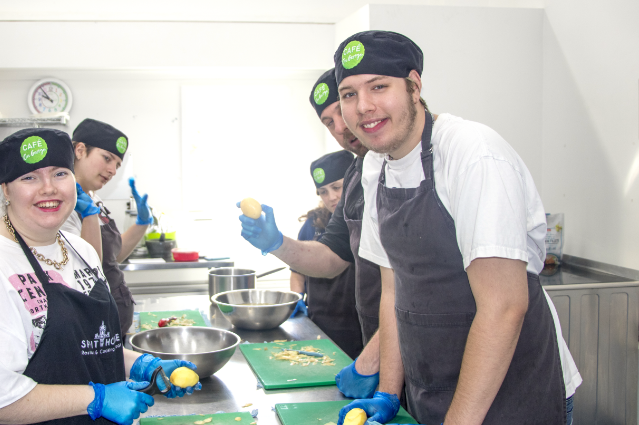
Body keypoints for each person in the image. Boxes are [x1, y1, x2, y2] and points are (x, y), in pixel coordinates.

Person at [332, 31, 581, 425]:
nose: (363, 106)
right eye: (348, 94)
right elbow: (394, 288)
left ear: (414, 86)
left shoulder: (473, 154)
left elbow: (504, 306)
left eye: (379, 87)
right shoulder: (374, 167)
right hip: (437, 388)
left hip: (515, 389)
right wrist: (388, 391)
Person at [0, 128, 199, 425]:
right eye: (29, 177)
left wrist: (140, 364)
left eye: (60, 173)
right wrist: (97, 399)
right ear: (6, 189)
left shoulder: (81, 250)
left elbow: (86, 349)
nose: (48, 188)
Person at [238, 69, 383, 397]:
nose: (341, 127)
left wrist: (372, 360)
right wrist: (277, 243)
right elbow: (333, 257)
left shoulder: (459, 154)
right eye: (329, 122)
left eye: (344, 108)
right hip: (380, 342)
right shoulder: (361, 179)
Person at [62, 118, 153, 336]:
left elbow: (113, 257)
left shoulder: (93, 199)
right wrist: (89, 217)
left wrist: (142, 223)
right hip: (89, 324)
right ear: (80, 150)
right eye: (107, 158)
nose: (112, 170)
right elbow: (88, 268)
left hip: (112, 323)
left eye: (117, 165)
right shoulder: (62, 204)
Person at [289, 150, 362, 358]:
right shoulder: (313, 224)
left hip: (359, 328)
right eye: (323, 191)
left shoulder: (367, 221)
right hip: (319, 325)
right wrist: (297, 299)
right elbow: (297, 271)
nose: (331, 198)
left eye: (337, 187)